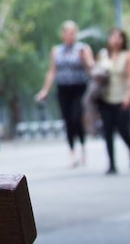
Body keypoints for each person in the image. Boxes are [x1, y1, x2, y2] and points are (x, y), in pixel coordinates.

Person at [35, 20, 94, 168]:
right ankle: (72, 152)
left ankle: (82, 148)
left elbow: (92, 69)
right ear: (63, 34)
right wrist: (45, 90)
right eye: (68, 32)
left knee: (76, 118)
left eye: (73, 32)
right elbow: (52, 71)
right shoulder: (56, 51)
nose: (71, 35)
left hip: (79, 88)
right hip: (63, 89)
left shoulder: (83, 49)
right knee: (67, 120)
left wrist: (85, 60)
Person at [95, 28, 130, 174]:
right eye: (113, 37)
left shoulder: (128, 56)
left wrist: (129, 95)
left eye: (119, 37)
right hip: (105, 98)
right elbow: (96, 72)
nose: (116, 40)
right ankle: (111, 163)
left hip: (121, 98)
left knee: (123, 129)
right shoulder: (103, 55)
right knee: (107, 131)